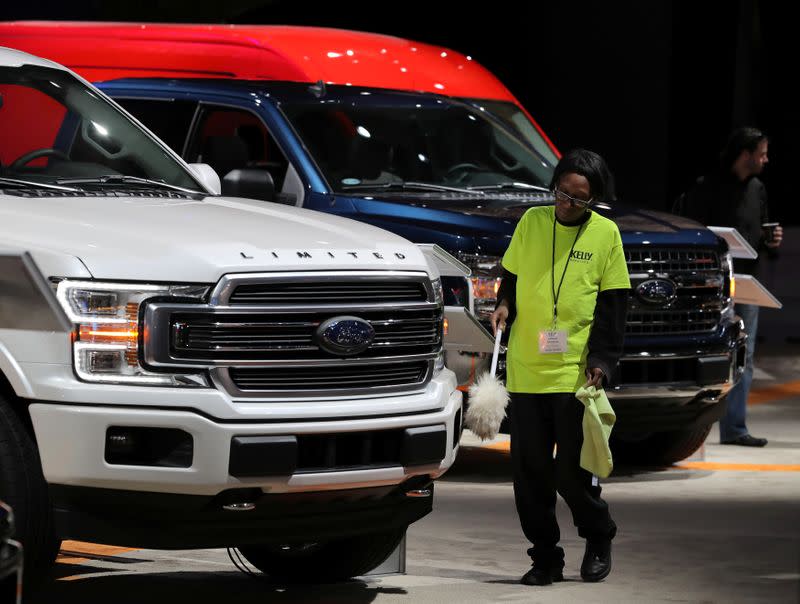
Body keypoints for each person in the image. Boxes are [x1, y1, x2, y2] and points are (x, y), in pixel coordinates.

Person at [490, 149, 630, 585]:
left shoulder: (606, 235)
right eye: (561, 193)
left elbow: (613, 307)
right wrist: (503, 303)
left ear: (595, 200)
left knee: (571, 475)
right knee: (529, 476)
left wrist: (603, 361)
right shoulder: (532, 222)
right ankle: (545, 558)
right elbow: (510, 277)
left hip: (573, 375)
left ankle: (598, 531)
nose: (566, 203)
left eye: (578, 198)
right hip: (526, 370)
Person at [679, 127, 782, 447]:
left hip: (746, 284)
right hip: (712, 284)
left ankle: (735, 428)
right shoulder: (706, 188)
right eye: (762, 153)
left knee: (745, 355)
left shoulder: (758, 189)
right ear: (746, 154)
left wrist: (772, 242)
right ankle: (684, 424)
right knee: (704, 349)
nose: (766, 159)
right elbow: (691, 230)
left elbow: (763, 241)